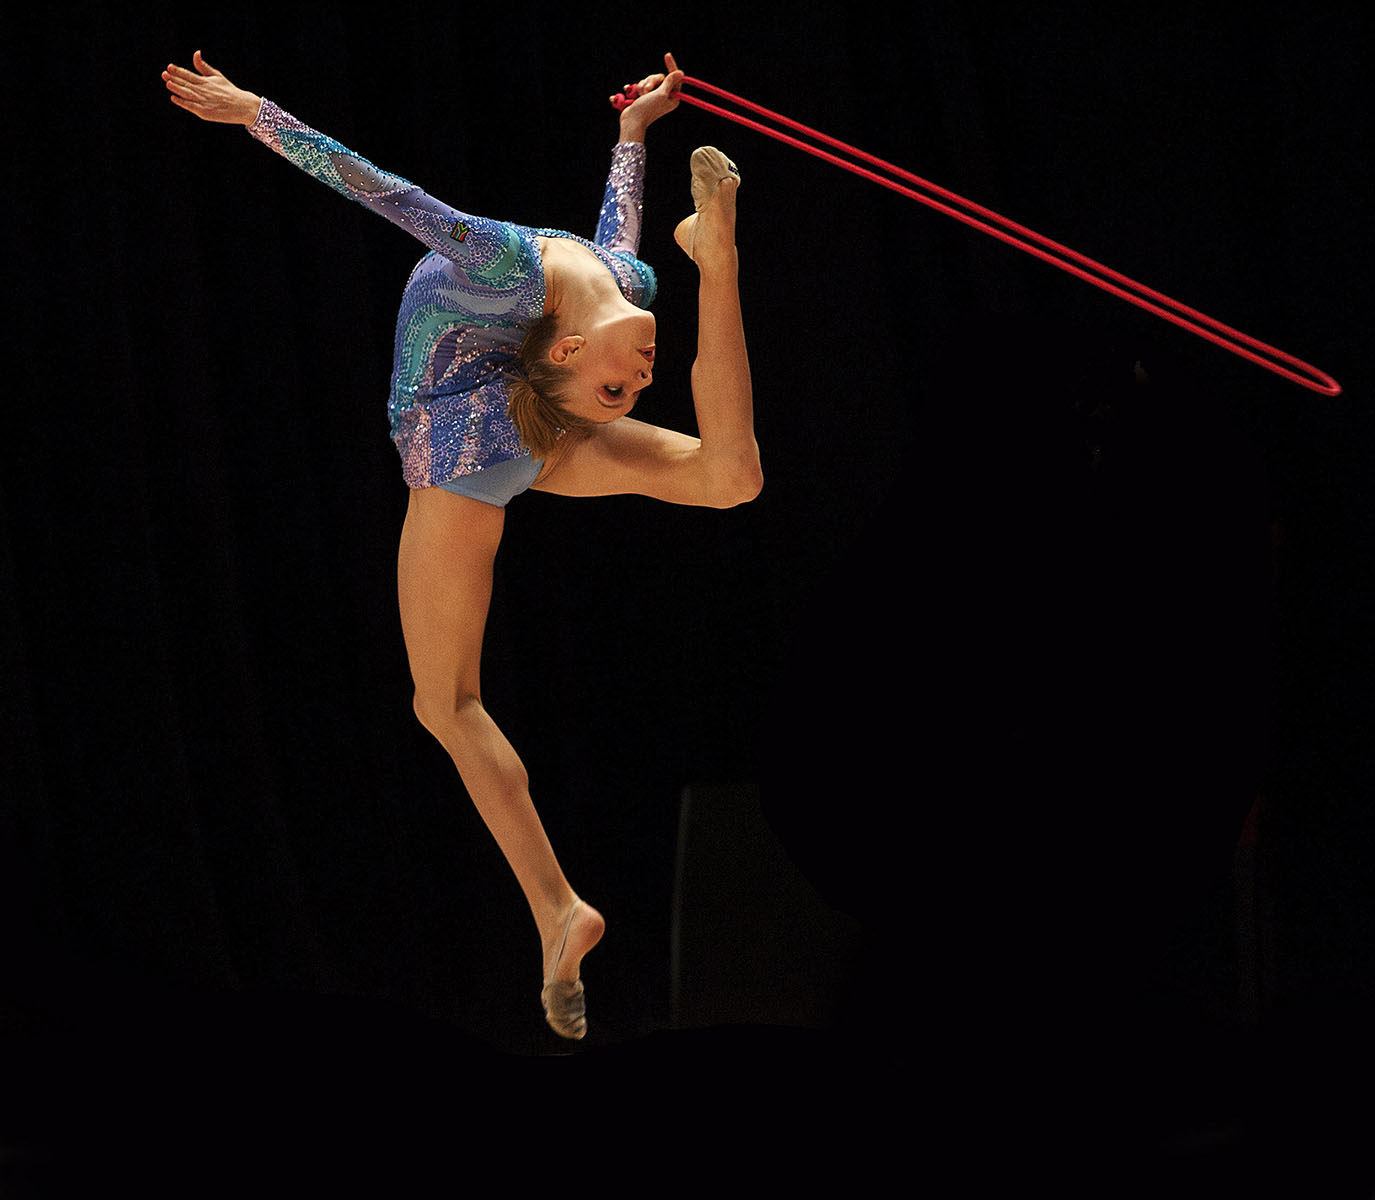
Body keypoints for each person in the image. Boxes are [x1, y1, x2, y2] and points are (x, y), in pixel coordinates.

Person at [161, 49, 760, 1040]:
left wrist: (632, 133)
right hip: (495, 432)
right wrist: (627, 139)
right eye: (628, 390)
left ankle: (558, 910)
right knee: (451, 696)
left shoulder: (563, 277)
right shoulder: (601, 281)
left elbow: (388, 190)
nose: (640, 385)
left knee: (449, 699)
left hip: (471, 440)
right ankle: (555, 910)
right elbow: (585, 230)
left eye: (617, 390)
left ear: (569, 350)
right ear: (565, 350)